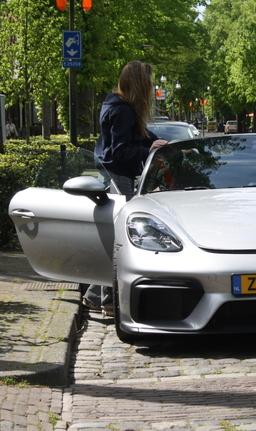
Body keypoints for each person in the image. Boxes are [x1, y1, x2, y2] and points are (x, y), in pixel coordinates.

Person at [85, 60, 168, 316]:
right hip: (118, 176)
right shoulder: (122, 111)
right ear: (139, 86)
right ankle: (110, 300)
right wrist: (149, 150)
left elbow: (138, 136)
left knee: (115, 237)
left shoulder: (116, 104)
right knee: (122, 240)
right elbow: (119, 151)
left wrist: (157, 143)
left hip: (112, 174)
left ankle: (93, 295)